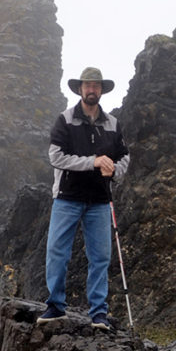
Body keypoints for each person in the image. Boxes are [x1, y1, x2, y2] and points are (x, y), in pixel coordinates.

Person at [38, 67, 130, 330]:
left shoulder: (113, 124)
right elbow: (55, 156)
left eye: (96, 86)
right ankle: (55, 306)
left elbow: (124, 157)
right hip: (67, 197)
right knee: (57, 252)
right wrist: (93, 162)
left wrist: (115, 171)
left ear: (101, 90)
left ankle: (98, 313)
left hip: (100, 200)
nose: (92, 90)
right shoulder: (64, 120)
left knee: (100, 257)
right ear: (80, 89)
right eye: (88, 85)